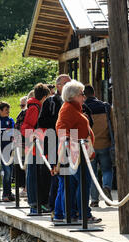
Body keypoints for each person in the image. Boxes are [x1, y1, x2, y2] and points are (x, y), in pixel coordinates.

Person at [55, 80, 101, 223]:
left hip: (77, 150)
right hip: (75, 151)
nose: (84, 97)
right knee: (83, 183)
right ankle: (84, 214)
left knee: (75, 184)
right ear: (73, 95)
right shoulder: (68, 108)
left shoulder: (73, 108)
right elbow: (61, 127)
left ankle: (75, 213)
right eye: (81, 94)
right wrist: (70, 140)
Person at [38, 74, 71, 214]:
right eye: (66, 84)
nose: (70, 86)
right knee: (57, 175)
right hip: (54, 141)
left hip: (72, 141)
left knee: (71, 175)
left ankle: (68, 208)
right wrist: (59, 123)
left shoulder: (75, 101)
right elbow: (42, 121)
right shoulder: (50, 101)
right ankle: (54, 207)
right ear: (58, 86)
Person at [21, 83, 51, 214]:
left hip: (35, 146)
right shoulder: (35, 108)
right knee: (33, 175)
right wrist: (37, 136)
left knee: (34, 175)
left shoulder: (34, 106)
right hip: (35, 146)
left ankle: (36, 203)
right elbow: (26, 127)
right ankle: (34, 204)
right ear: (44, 97)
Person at [83, 84, 114, 207]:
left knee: (92, 172)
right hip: (105, 143)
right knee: (107, 169)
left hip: (90, 145)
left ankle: (94, 200)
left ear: (84, 96)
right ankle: (106, 188)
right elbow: (113, 124)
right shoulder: (105, 106)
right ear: (94, 93)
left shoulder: (83, 108)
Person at [15, 96, 28, 197]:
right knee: (25, 167)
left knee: (27, 167)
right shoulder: (22, 114)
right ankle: (26, 188)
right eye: (21, 106)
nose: (22, 107)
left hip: (25, 144)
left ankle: (26, 188)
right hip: (22, 144)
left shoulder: (25, 113)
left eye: (23, 105)